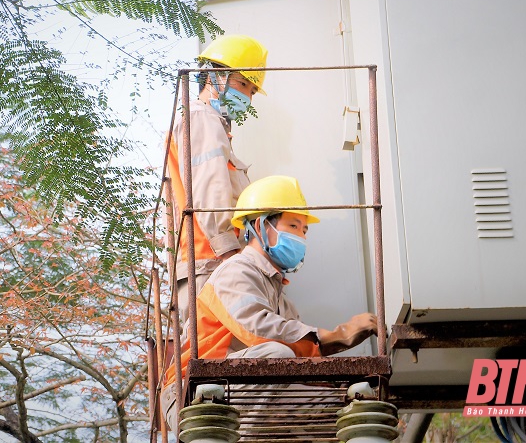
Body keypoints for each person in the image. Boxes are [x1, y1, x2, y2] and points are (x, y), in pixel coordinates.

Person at [161, 175, 378, 432]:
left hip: (235, 387)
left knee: (339, 406)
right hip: (191, 390)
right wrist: (335, 336)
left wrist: (340, 384)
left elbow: (300, 362)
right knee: (278, 355)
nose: (301, 238)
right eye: (293, 226)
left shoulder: (282, 302)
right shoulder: (236, 271)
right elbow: (258, 331)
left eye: (304, 230)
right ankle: (243, 437)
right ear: (261, 225)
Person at [167, 34, 268, 325]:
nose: (247, 96)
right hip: (212, 262)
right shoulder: (202, 119)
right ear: (215, 76)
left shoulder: (209, 123)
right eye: (242, 84)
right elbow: (210, 190)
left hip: (205, 262)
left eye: (252, 90)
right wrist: (232, 256)